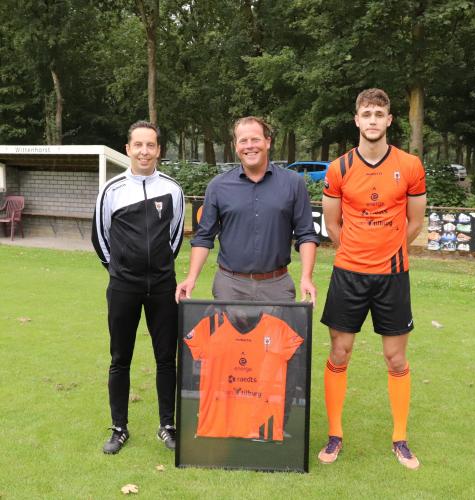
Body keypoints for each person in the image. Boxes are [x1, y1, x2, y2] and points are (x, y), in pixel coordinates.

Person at [318, 89, 426, 470]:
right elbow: (332, 224)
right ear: (357, 120)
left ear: (389, 120)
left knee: (396, 358)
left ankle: (400, 439)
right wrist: (357, 253)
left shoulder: (410, 165)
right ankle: (335, 435)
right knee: (339, 352)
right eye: (367, 114)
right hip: (348, 275)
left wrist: (388, 251)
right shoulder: (339, 168)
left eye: (379, 114)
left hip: (392, 276)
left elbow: (415, 222)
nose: (373, 120)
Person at [92, 120, 185, 454]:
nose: (144, 151)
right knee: (120, 358)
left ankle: (167, 426)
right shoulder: (111, 190)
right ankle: (119, 428)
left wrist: (157, 270)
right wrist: (120, 271)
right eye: (138, 145)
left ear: (158, 150)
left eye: (151, 145)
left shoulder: (173, 189)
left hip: (162, 287)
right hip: (123, 287)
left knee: (166, 358)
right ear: (128, 149)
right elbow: (100, 237)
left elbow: (175, 238)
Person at [175, 116, 319, 304]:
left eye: (255, 139)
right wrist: (191, 278)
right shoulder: (218, 186)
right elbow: (204, 237)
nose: (249, 146)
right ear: (236, 146)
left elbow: (306, 234)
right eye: (243, 141)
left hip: (277, 286)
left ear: (267, 142)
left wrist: (306, 277)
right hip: (230, 286)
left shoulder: (293, 183)